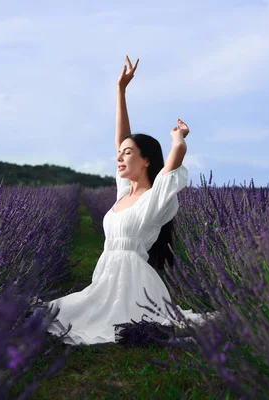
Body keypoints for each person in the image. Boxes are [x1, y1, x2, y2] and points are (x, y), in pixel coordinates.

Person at [43, 56, 211, 346]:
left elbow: (170, 168)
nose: (120, 157)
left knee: (103, 324)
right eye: (119, 153)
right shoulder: (124, 193)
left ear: (146, 160)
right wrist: (121, 90)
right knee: (59, 312)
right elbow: (122, 137)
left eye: (128, 153)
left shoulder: (153, 198)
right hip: (106, 277)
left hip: (134, 283)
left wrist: (178, 139)